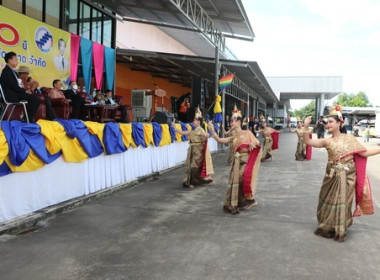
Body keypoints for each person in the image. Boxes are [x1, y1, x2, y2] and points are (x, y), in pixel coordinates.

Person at [303, 106, 380, 242]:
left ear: (339, 123)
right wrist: (305, 127)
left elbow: (364, 152)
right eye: (326, 122)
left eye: (331, 122)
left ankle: (340, 229)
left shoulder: (349, 139)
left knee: (343, 203)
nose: (328, 124)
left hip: (347, 177)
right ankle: (326, 227)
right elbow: (308, 141)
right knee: (325, 201)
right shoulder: (327, 141)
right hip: (331, 177)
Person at [208, 105, 261, 215]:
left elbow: (257, 142)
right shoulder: (234, 137)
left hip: (245, 161)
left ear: (239, 122)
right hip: (236, 162)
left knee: (242, 179)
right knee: (234, 181)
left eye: (233, 121)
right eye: (231, 121)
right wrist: (212, 131)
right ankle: (242, 202)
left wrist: (252, 142)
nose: (231, 123)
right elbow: (220, 140)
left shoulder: (247, 133)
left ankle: (250, 200)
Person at [171, 106, 214, 189]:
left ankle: (200, 181)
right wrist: (175, 128)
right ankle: (189, 182)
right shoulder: (192, 130)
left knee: (194, 167)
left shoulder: (201, 130)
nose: (193, 121)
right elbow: (183, 132)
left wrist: (207, 135)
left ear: (198, 122)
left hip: (198, 151)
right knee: (190, 166)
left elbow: (205, 136)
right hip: (192, 150)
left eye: (195, 120)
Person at [0, 52, 41, 122]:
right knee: (35, 99)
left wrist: (22, 87)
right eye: (15, 60)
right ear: (9, 60)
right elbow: (12, 85)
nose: (17, 62)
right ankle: (27, 119)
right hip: (11, 95)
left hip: (16, 93)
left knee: (34, 98)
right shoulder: (6, 71)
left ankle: (26, 118)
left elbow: (16, 84)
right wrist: (24, 91)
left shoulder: (13, 72)